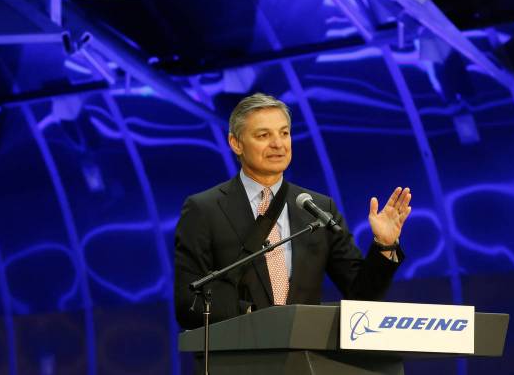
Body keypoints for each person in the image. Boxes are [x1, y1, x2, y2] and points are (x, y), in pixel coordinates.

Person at [174, 92, 412, 329]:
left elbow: (361, 295)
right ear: (236, 143)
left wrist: (384, 246)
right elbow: (189, 302)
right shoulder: (204, 209)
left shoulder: (318, 208)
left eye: (284, 133)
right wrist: (255, 316)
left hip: (303, 359)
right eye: (263, 135)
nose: (278, 144)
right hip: (236, 358)